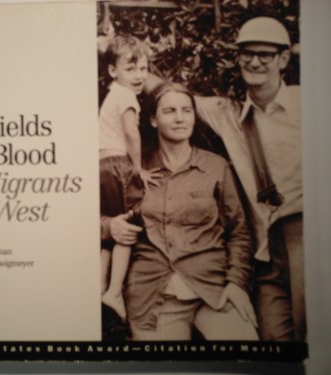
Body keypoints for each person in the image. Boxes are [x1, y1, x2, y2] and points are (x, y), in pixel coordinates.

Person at [190, 17, 305, 342]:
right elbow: (171, 96)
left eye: (265, 54)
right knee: (273, 343)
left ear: (283, 59)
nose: (254, 61)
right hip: (265, 257)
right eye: (247, 53)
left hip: (305, 242)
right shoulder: (227, 112)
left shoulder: (308, 105)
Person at [121, 82, 259, 341]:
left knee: (248, 358)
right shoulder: (135, 169)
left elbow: (240, 232)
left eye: (187, 111)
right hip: (154, 296)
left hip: (214, 287)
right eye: (170, 111)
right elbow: (100, 219)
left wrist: (237, 283)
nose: (180, 118)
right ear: (153, 119)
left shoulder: (216, 167)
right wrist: (110, 226)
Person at [98, 35, 159, 321]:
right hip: (119, 165)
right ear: (113, 71)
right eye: (131, 69)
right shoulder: (126, 97)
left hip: (102, 165)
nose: (139, 76)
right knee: (131, 222)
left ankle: (100, 287)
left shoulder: (112, 93)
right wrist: (138, 169)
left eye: (144, 69)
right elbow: (132, 135)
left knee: (113, 227)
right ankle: (114, 292)